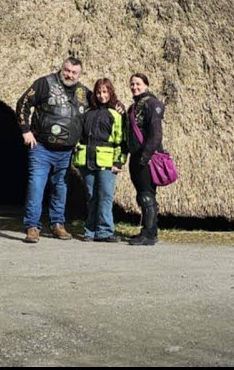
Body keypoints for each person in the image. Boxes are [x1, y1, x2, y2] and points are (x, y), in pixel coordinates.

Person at [16, 57, 92, 243]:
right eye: (67, 70)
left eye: (74, 72)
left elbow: (101, 105)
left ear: (79, 74)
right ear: (62, 68)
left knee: (61, 188)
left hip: (67, 152)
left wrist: (118, 106)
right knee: (36, 186)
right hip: (41, 148)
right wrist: (26, 130)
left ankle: (58, 224)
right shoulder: (45, 83)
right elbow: (23, 103)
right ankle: (32, 227)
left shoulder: (84, 92)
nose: (69, 75)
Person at [74, 77, 125, 243]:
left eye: (105, 92)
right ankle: (90, 230)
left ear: (110, 93)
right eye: (99, 92)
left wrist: (119, 162)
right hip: (86, 160)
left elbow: (121, 141)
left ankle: (104, 231)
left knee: (105, 195)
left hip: (106, 161)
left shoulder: (116, 114)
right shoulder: (87, 113)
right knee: (91, 196)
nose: (102, 95)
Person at [125, 72, 166, 246]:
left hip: (146, 157)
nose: (135, 87)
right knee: (143, 195)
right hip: (136, 155)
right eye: (132, 84)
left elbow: (156, 134)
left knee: (146, 195)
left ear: (146, 85)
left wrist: (145, 156)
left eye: (138, 84)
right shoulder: (133, 107)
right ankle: (149, 230)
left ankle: (149, 234)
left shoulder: (152, 104)